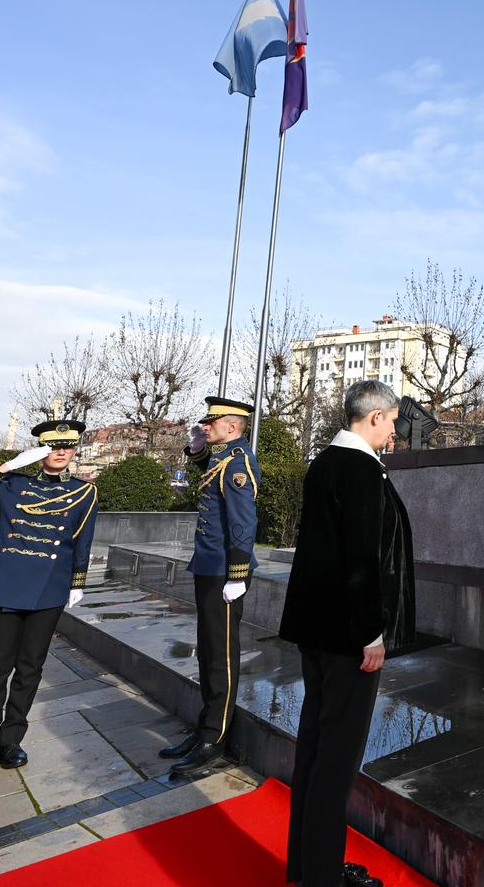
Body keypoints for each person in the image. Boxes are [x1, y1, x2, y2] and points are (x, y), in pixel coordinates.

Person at [279, 380, 416, 887]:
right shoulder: (360, 469)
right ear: (376, 416)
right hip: (346, 638)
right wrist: (371, 634)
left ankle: (310, 868)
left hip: (315, 630)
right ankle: (322, 879)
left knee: (316, 750)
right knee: (336, 761)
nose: (396, 430)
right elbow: (362, 560)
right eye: (395, 420)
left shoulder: (325, 462)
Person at [0, 421, 97, 779]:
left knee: (30, 668)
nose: (61, 452)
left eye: (67, 446)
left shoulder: (84, 493)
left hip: (48, 589)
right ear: (40, 450)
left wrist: (77, 582)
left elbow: (83, 540)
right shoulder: (11, 485)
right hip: (3, 587)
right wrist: (6, 466)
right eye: (52, 447)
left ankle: (11, 740)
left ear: (75, 449)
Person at [159, 396, 260, 775]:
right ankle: (204, 726)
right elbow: (209, 475)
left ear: (232, 427)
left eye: (211, 423)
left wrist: (237, 574)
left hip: (224, 572)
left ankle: (214, 739)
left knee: (222, 655)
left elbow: (242, 522)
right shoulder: (222, 459)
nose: (205, 426)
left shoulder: (239, 463)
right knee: (207, 651)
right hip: (208, 567)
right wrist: (197, 452)